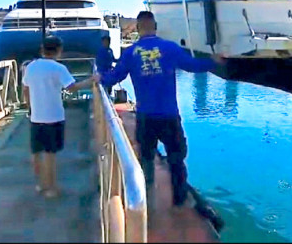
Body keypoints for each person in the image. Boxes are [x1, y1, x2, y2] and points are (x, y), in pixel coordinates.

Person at [96, 11, 225, 206]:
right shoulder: (169, 48)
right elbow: (192, 65)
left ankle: (145, 199)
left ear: (138, 29)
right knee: (176, 159)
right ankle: (180, 200)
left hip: (145, 117)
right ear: (155, 27)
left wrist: (100, 78)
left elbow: (115, 77)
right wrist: (212, 61)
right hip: (169, 115)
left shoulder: (131, 53)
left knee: (146, 159)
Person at [22, 36, 97, 199]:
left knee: (36, 152)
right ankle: (51, 188)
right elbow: (72, 88)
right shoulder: (59, 68)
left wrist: (30, 107)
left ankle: (40, 185)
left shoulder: (30, 67)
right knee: (50, 153)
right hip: (53, 116)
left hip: (36, 117)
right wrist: (91, 80)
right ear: (59, 50)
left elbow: (25, 89)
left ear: (42, 49)